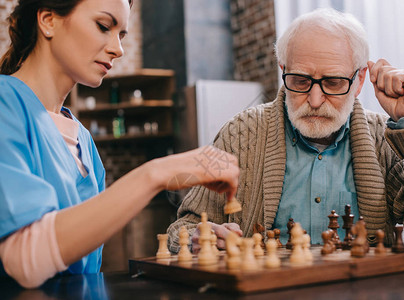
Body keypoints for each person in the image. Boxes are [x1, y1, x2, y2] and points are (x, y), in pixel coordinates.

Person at [167, 7, 404, 253]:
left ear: (359, 80)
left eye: (334, 82)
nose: (315, 101)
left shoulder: (386, 139)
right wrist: (196, 238)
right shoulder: (239, 134)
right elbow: (185, 227)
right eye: (300, 81)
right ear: (283, 70)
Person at [0, 0, 239, 288]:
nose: (118, 49)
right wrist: (156, 173)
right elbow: (24, 262)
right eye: (103, 26)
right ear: (48, 20)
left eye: (122, 35)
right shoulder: (6, 105)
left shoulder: (84, 142)